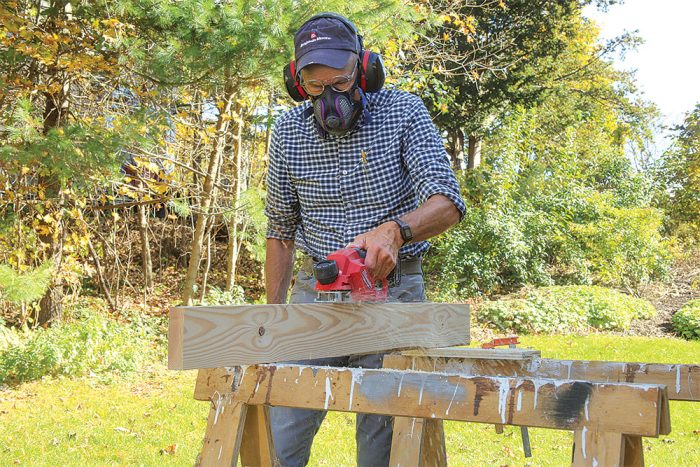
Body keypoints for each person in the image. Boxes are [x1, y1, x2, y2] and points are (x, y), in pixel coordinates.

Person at [264, 12, 466, 467]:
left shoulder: (403, 112)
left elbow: (447, 202)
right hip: (315, 297)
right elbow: (280, 231)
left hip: (392, 295)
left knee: (385, 443)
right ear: (297, 83)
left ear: (365, 68)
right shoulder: (287, 132)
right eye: (316, 87)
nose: (330, 97)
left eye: (340, 81)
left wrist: (397, 230)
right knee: (283, 433)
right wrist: (274, 318)